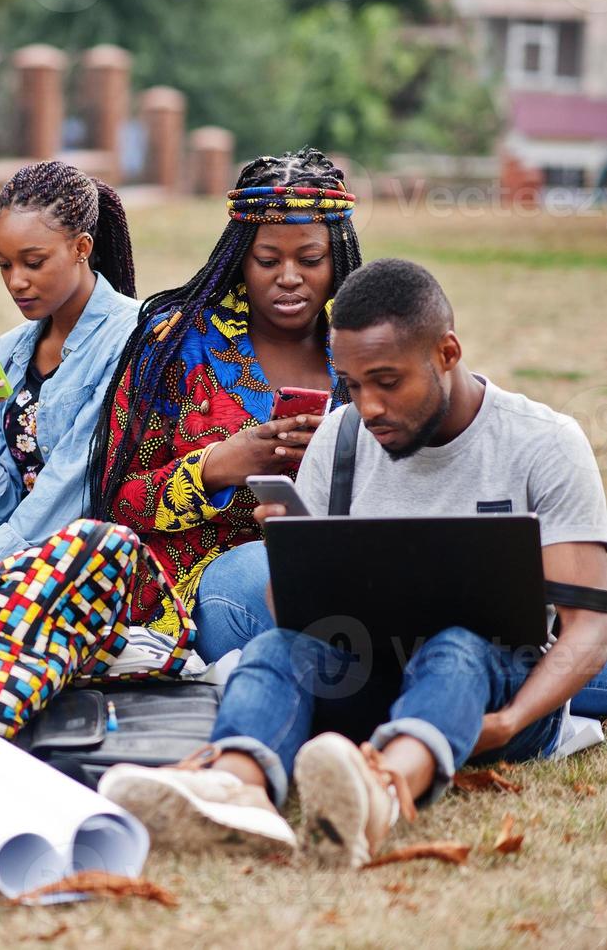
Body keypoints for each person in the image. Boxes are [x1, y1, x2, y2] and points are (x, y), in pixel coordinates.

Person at [98, 258, 607, 867]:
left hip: (494, 697)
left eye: (388, 381)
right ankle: (235, 788)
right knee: (273, 650)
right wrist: (295, 554)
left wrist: (507, 723)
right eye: (353, 383)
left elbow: (588, 628)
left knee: (457, 646)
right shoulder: (341, 440)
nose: (368, 407)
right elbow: (292, 619)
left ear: (446, 352)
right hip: (371, 676)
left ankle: (382, 790)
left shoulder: (542, 443)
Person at [0, 148, 363, 738]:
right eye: (268, 259)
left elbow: (410, 472)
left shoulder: (366, 354)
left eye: (309, 259)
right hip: (197, 581)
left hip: (334, 565)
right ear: (242, 258)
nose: (288, 277)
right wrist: (216, 466)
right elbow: (119, 500)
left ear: (336, 258)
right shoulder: (182, 347)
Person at [0, 160, 140, 591]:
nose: (16, 282)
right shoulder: (11, 349)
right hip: (6, 544)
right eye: (3, 265)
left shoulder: (130, 337)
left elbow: (72, 487)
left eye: (33, 262)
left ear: (81, 247)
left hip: (81, 559)